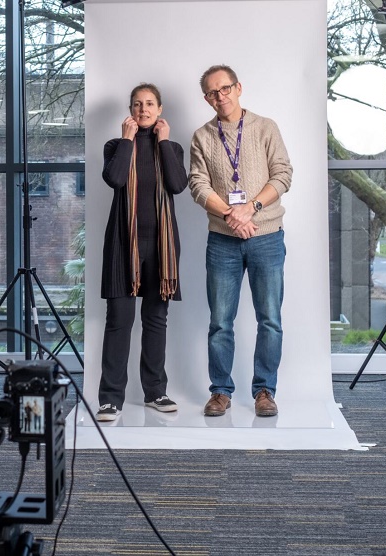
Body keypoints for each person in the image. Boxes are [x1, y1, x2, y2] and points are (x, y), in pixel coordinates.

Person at [188, 65, 293, 417]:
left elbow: (283, 175)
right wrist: (232, 216)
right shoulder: (201, 136)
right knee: (220, 322)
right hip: (222, 241)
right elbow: (198, 186)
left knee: (270, 320)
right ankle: (220, 391)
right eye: (213, 92)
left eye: (226, 88)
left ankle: (265, 390)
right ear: (206, 98)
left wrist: (251, 207)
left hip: (267, 237)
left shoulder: (266, 127)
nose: (221, 96)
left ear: (239, 87)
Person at [95, 83, 188, 422]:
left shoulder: (172, 148)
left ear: (160, 109)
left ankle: (155, 392)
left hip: (161, 247)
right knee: (119, 321)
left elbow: (178, 185)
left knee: (156, 320)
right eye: (137, 104)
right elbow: (116, 180)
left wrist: (162, 142)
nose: (143, 109)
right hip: (124, 246)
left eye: (150, 104)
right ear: (130, 110)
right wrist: (126, 140)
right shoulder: (116, 146)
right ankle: (110, 398)